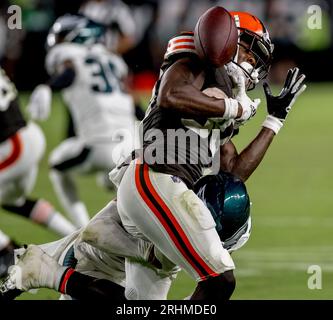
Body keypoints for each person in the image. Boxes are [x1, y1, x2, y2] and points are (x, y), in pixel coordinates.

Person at [115, 8, 306, 301]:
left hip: (161, 186)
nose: (253, 67)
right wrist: (233, 109)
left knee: (138, 299)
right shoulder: (196, 58)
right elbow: (171, 96)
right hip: (155, 177)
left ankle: (38, 273)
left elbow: (231, 172)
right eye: (251, 55)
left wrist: (274, 121)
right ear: (228, 39)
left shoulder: (223, 87)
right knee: (219, 280)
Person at [0, 170, 251, 300]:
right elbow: (97, 231)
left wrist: (273, 122)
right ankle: (48, 273)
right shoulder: (169, 233)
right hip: (87, 266)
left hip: (90, 259)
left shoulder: (178, 186)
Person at [27, 15, 137, 228]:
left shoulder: (68, 55)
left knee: (56, 165)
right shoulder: (112, 60)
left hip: (98, 145)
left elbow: (70, 72)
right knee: (123, 194)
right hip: (131, 146)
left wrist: (49, 87)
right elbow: (135, 104)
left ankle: (81, 229)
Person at [0, 68, 77, 276]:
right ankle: (78, 240)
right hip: (25, 136)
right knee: (12, 200)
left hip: (13, 144)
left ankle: (8, 253)